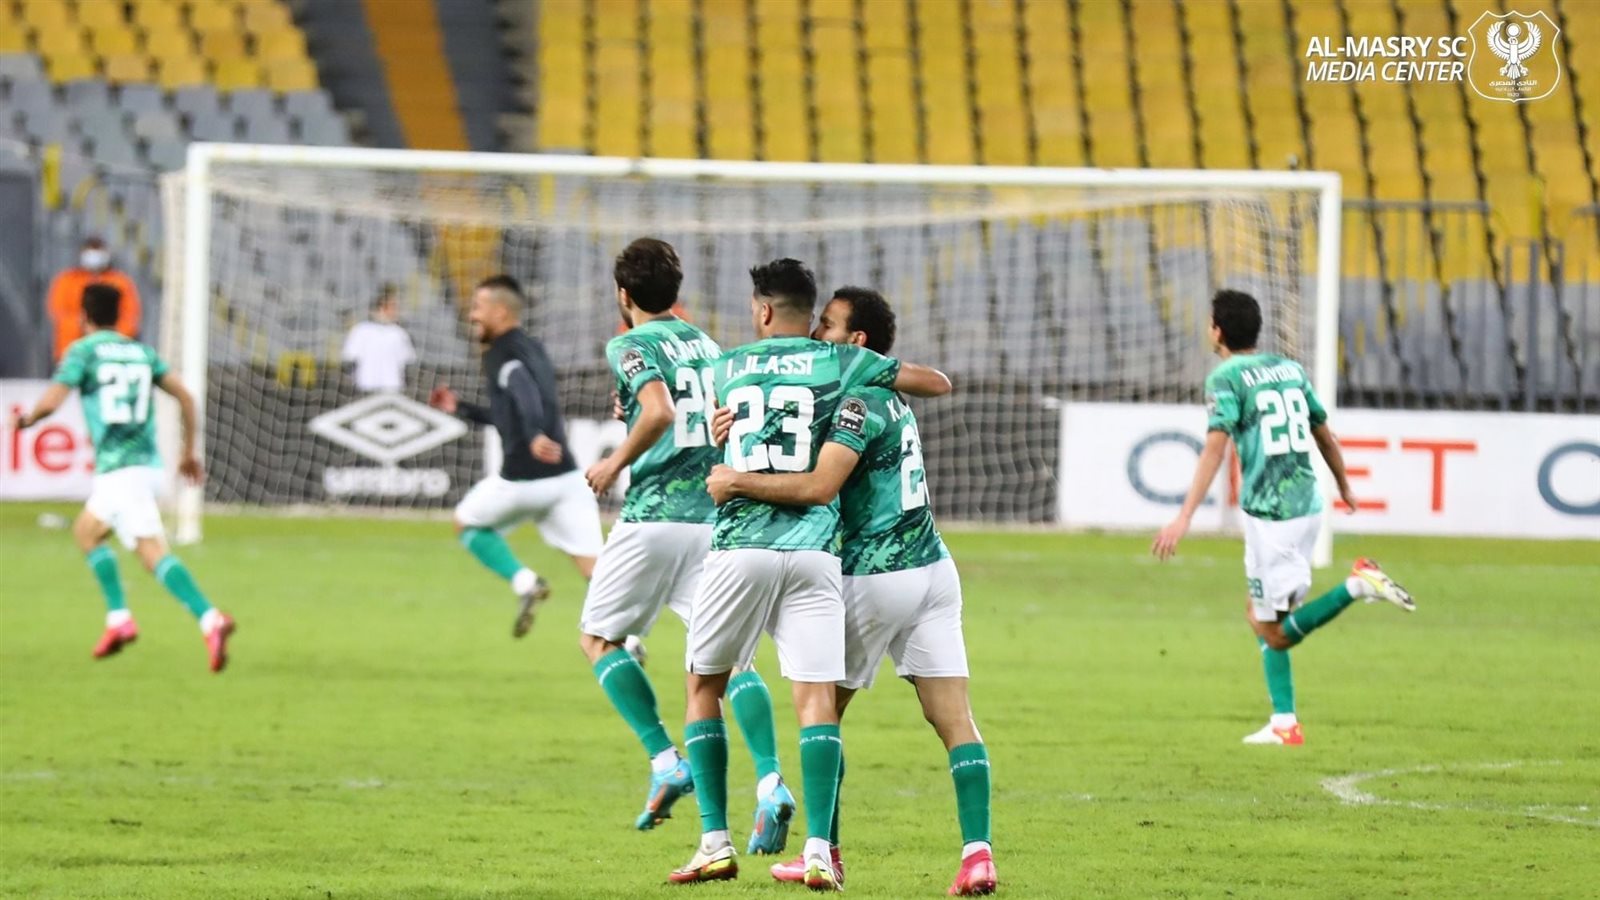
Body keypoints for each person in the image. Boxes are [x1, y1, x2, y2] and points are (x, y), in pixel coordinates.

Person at [669, 259, 952, 890]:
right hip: (817, 552)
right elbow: (933, 383)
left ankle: (714, 842)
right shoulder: (845, 362)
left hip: (742, 545)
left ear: (764, 310)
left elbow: (729, 443)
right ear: (809, 311)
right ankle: (820, 851)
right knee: (817, 698)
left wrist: (723, 437)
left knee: (704, 685)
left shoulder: (728, 367)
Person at [577, 239, 794, 844]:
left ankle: (665, 760)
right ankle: (771, 781)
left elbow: (657, 412)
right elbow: (715, 417)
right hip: (712, 520)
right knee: (731, 661)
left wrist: (614, 461)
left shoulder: (629, 343)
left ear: (623, 294)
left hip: (654, 518)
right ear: (676, 291)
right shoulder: (707, 344)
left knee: (599, 639)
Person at [1151, 289, 1416, 746]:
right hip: (1304, 505)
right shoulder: (1289, 370)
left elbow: (1215, 448)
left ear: (1218, 330)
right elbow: (1324, 434)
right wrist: (1344, 484)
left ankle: (1357, 585)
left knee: (1273, 633)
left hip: (1273, 516)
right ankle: (1283, 722)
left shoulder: (1225, 378)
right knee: (1257, 612)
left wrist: (1184, 517)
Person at [13, 284, 236, 672]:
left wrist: (27, 420)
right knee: (86, 531)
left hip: (121, 472)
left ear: (84, 316)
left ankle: (209, 618)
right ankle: (119, 619)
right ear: (120, 315)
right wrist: (188, 453)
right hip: (145, 466)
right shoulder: (141, 353)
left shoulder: (83, 351)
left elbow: (53, 400)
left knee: (151, 553)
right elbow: (185, 397)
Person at [428, 275, 603, 637]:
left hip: (522, 482)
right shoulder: (534, 348)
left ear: (501, 311)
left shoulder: (501, 352)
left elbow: (522, 388)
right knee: (596, 571)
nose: (472, 315)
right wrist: (461, 408)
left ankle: (525, 582)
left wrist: (534, 432)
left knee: (465, 522)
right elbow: (509, 414)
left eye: (478, 307)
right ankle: (628, 641)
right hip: (567, 480)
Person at [47, 237, 141, 362]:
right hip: (72, 349)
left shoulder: (119, 281)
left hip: (111, 353)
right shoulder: (68, 280)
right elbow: (59, 312)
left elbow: (130, 316)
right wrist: (84, 327)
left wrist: (108, 335)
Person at [341, 286, 416, 393]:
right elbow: (350, 360)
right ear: (381, 308)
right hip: (365, 388)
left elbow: (408, 362)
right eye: (393, 307)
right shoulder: (361, 330)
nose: (396, 311)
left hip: (392, 389)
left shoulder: (400, 333)